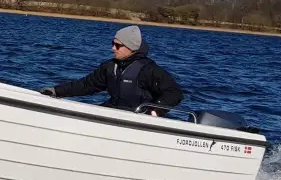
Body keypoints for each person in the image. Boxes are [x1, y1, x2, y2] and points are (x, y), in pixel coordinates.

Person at [40, 25, 184, 115]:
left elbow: (174, 93)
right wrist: (56, 91)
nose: (112, 48)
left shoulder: (149, 70)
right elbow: (86, 85)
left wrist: (156, 110)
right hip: (113, 111)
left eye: (117, 45)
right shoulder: (110, 67)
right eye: (112, 44)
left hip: (138, 117)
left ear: (131, 47)